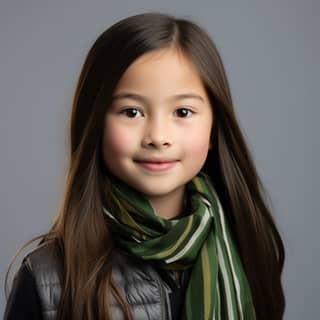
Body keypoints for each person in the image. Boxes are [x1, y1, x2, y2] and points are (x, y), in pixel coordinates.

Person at [4, 12, 286, 320]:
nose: (158, 137)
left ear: (214, 128)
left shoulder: (248, 252)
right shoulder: (49, 277)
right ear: (95, 122)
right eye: (132, 112)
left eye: (183, 111)